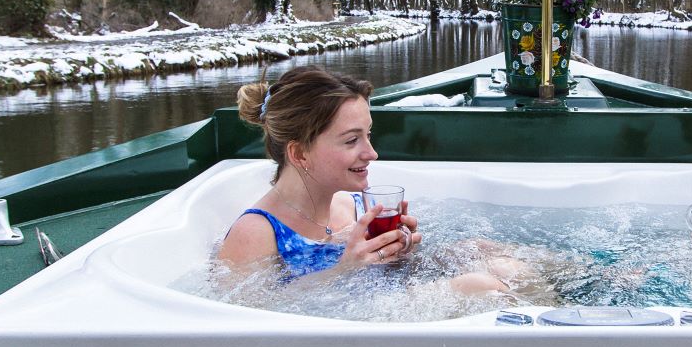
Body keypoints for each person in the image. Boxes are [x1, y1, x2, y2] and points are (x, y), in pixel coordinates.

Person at [215, 66, 509, 296]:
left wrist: (399, 252)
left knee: (489, 253)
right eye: (352, 140)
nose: (372, 153)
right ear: (300, 153)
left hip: (382, 307)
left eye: (368, 135)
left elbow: (380, 280)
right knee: (482, 285)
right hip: (349, 344)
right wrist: (344, 270)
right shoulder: (255, 233)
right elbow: (246, 322)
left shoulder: (352, 206)